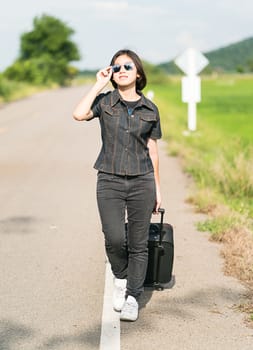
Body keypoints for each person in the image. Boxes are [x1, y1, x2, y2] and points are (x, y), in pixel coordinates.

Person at [73, 49, 162, 321]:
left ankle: (133, 296)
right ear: (112, 73)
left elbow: (153, 150)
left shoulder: (150, 109)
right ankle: (120, 277)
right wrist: (98, 84)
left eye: (127, 66)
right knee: (114, 237)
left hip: (142, 181)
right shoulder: (105, 102)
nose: (122, 70)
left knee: (138, 244)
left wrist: (158, 188)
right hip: (109, 179)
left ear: (138, 73)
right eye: (116, 66)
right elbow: (78, 114)